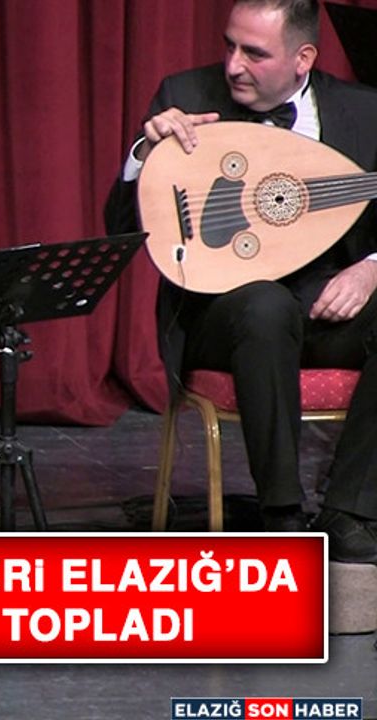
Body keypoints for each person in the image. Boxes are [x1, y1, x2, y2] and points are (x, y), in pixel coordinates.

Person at [104, 0, 377, 556]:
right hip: (223, 313)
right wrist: (145, 156)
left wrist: (371, 270)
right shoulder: (186, 95)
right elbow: (121, 228)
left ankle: (349, 510)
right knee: (265, 306)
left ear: (303, 58)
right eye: (229, 46)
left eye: (254, 53)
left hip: (327, 304)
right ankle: (282, 515)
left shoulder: (364, 111)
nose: (233, 65)